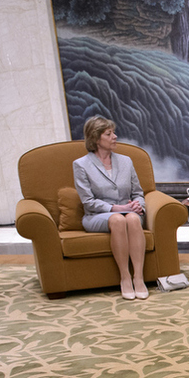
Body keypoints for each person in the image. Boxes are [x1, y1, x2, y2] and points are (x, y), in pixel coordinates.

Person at [73, 116, 148, 301]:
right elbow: (88, 201)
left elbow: (138, 192)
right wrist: (116, 208)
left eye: (113, 132)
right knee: (117, 219)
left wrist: (139, 205)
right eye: (109, 134)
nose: (115, 136)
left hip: (128, 212)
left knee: (130, 218)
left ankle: (138, 277)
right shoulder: (81, 165)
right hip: (97, 215)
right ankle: (125, 277)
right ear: (96, 138)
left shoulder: (126, 161)